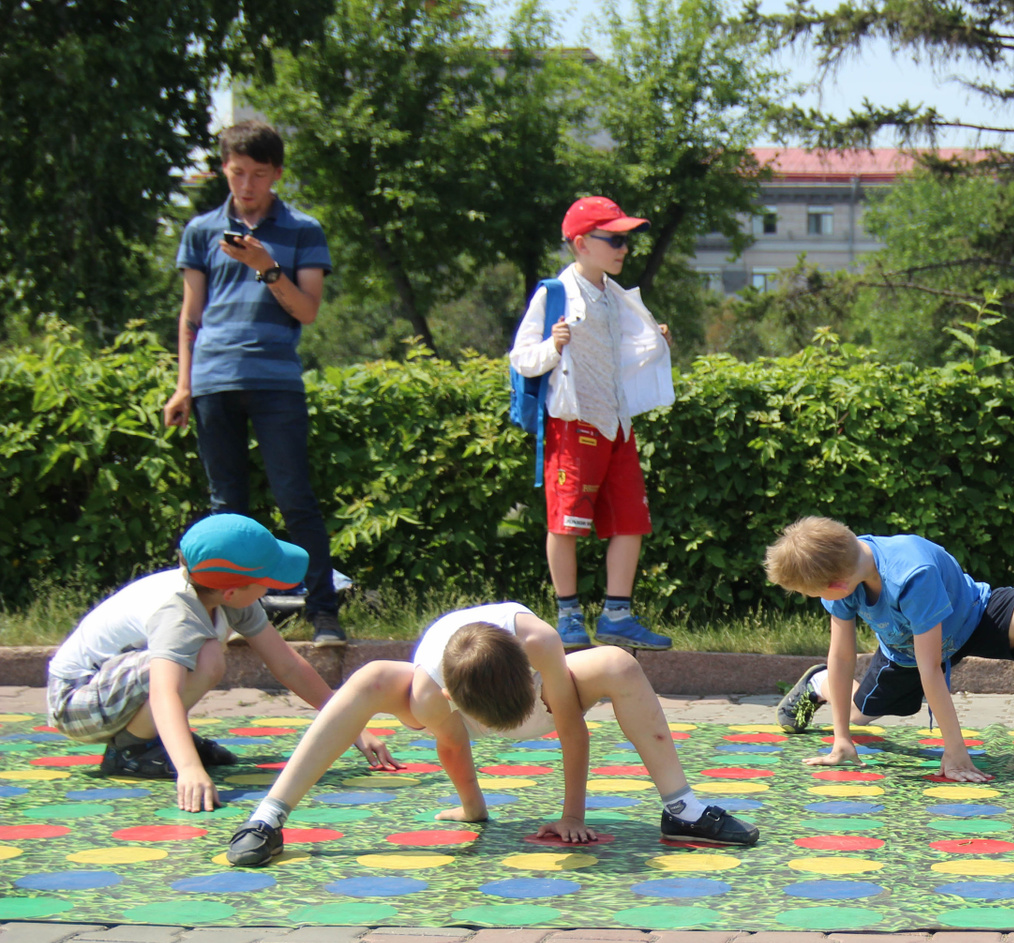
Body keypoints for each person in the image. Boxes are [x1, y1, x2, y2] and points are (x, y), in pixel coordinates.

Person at [224, 601, 757, 866]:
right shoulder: (429, 695)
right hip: (465, 708)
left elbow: (571, 728)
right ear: (453, 699)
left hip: (543, 703)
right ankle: (268, 817)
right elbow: (452, 742)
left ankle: (682, 808)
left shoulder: (540, 644)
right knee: (371, 678)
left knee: (617, 662)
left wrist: (573, 816)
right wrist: (473, 809)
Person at [47, 515, 396, 813]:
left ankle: (151, 740)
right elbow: (164, 692)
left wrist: (352, 725)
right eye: (266, 581)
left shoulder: (226, 595)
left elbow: (288, 666)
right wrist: (189, 768)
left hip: (112, 693)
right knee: (207, 656)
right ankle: (133, 751)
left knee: (205, 654)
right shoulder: (176, 613)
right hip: (75, 702)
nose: (270, 588)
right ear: (232, 592)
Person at [163, 121, 345, 646]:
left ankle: (324, 613)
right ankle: (228, 620)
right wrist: (183, 385)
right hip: (213, 379)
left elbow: (307, 311)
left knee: (295, 499)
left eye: (258, 174)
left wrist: (266, 266)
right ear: (224, 169)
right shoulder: (201, 230)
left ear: (277, 174)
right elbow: (190, 315)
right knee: (227, 509)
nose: (246, 185)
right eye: (237, 172)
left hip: (276, 380)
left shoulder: (303, 229)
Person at [765, 517, 1014, 781]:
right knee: (856, 714)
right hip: (905, 654)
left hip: (972, 615)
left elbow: (931, 669)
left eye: (813, 595)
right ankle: (818, 683)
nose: (817, 600)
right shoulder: (844, 567)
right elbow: (841, 656)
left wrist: (955, 750)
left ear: (836, 585)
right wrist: (842, 739)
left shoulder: (911, 575)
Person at [508, 196, 676, 653]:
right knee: (566, 523)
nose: (624, 248)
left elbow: (617, 357)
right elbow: (522, 357)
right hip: (573, 422)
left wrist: (655, 341)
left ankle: (617, 615)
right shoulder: (554, 294)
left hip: (617, 423)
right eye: (614, 240)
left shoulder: (615, 296)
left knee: (631, 520)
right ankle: (568, 616)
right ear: (582, 243)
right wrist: (553, 346)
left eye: (625, 240)